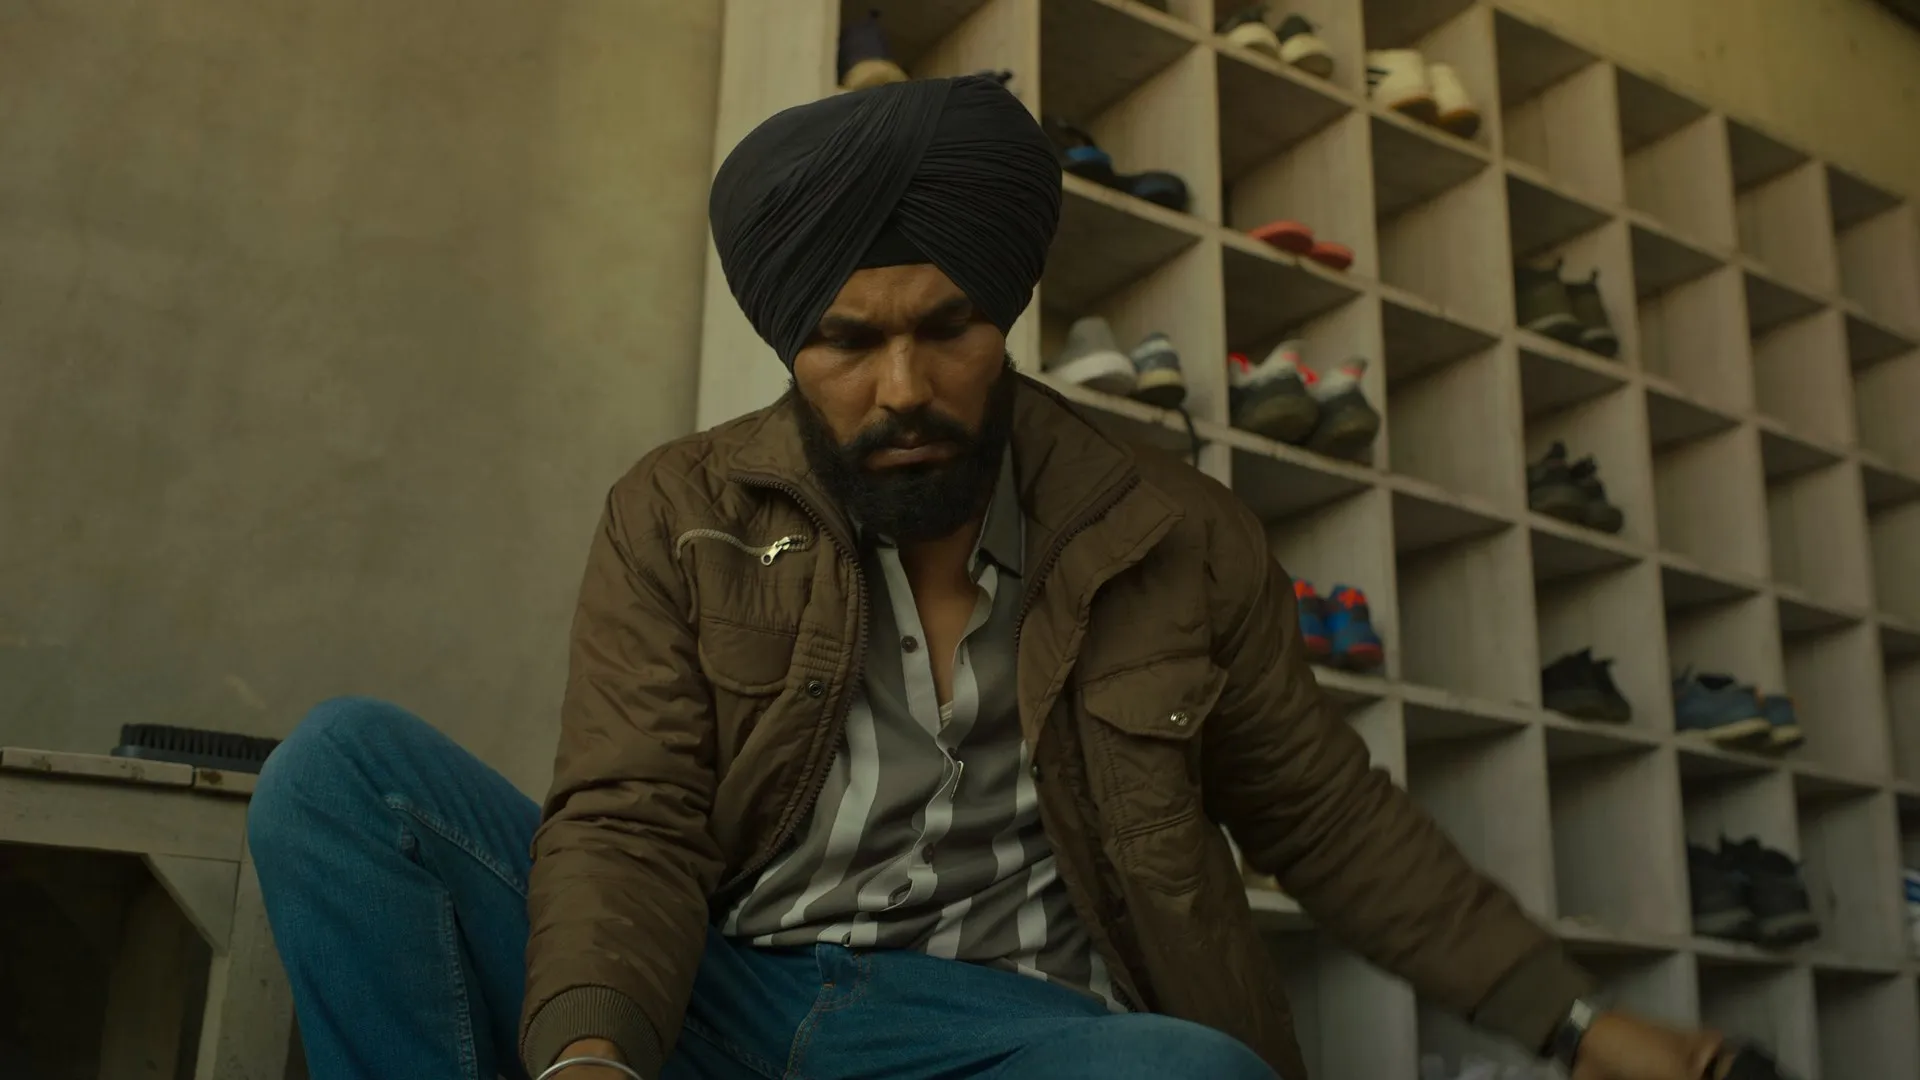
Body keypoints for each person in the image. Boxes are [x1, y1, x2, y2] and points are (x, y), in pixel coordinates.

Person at [248, 75, 1728, 1080]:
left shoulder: (1175, 534)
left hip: (1011, 1032)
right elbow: (628, 815)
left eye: (946, 330)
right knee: (341, 774)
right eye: (849, 342)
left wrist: (1577, 1025)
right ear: (790, 345)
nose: (903, 387)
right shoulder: (679, 512)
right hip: (731, 990)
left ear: (1005, 317)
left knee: (1192, 1076)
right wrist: (589, 1054)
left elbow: (1331, 821)